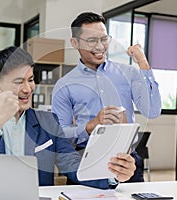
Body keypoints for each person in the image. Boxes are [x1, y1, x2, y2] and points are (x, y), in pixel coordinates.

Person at [0, 46, 138, 189]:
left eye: (30, 79)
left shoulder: (48, 122)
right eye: (18, 82)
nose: (27, 89)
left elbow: (72, 165)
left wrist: (112, 175)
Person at [52, 12, 162, 182]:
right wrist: (90, 126)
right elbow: (60, 135)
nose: (100, 46)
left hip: (127, 161)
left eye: (104, 39)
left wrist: (143, 64)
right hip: (85, 160)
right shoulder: (64, 85)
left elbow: (152, 111)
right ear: (75, 43)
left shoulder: (129, 73)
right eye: (91, 41)